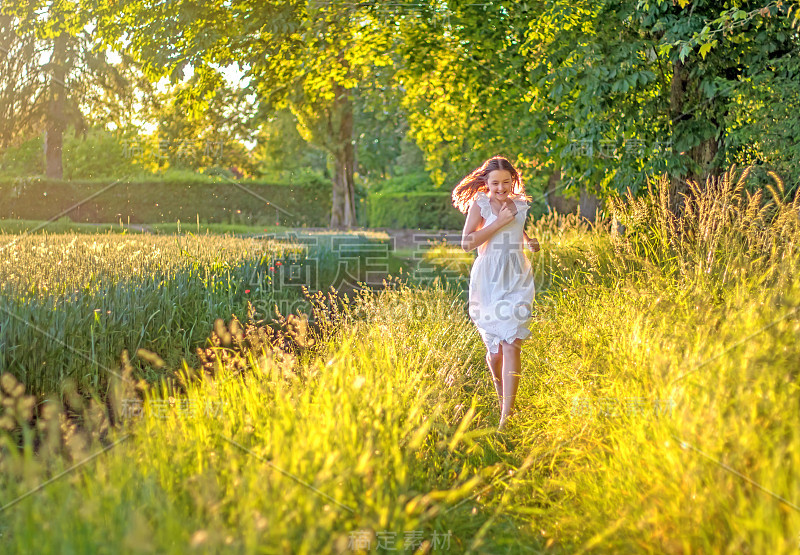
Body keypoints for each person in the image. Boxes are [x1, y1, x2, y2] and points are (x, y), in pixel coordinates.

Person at [453, 156, 540, 431]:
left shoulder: (521, 204)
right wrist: (499, 222)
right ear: (486, 183)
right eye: (495, 183)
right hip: (488, 280)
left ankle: (507, 417)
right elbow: (467, 243)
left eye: (506, 182)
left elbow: (517, 226)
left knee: (512, 341)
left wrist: (528, 240)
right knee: (496, 351)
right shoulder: (480, 205)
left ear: (513, 180)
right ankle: (500, 392)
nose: (501, 188)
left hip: (517, 276)